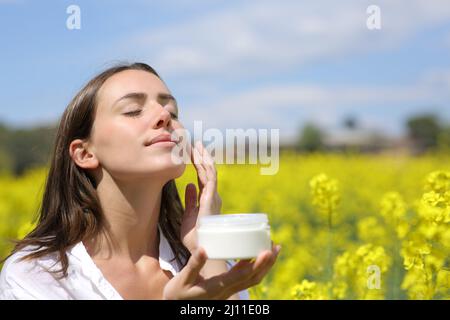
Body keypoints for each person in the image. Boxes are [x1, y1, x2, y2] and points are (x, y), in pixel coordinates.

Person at [0, 62, 281, 300]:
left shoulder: (209, 263)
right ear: (85, 153)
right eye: (133, 110)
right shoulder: (38, 275)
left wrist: (208, 252)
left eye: (173, 113)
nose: (163, 117)